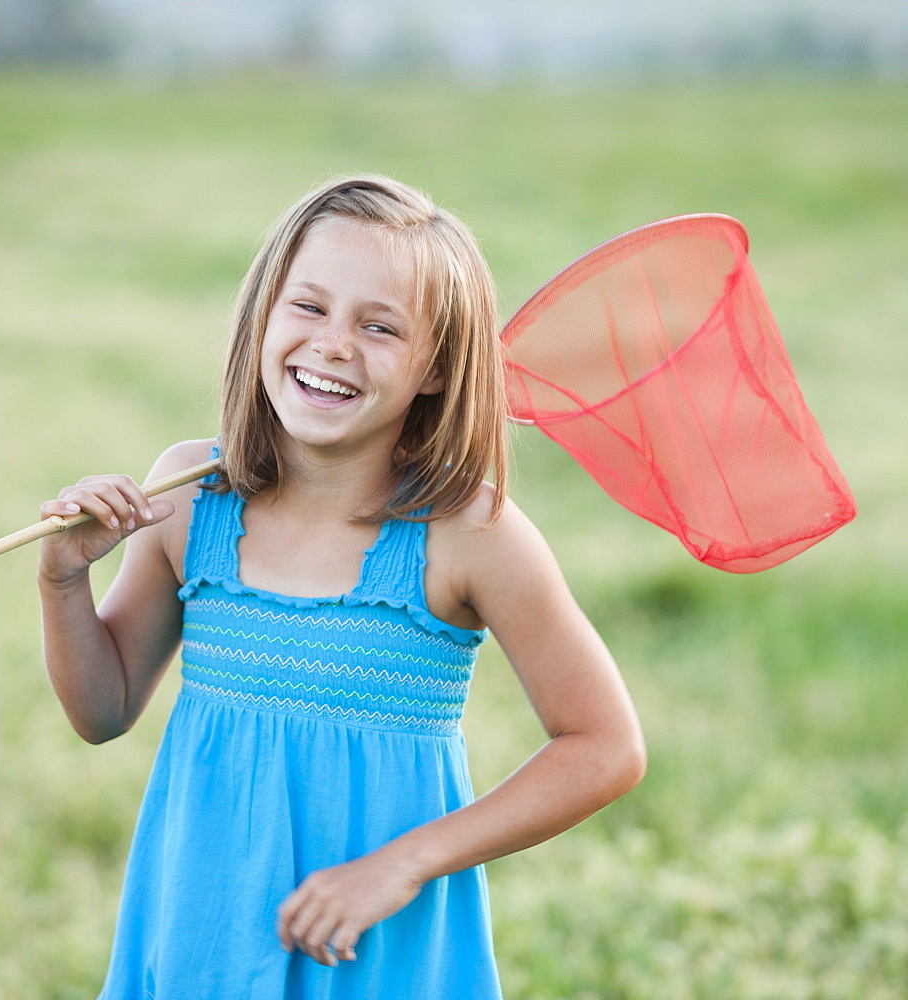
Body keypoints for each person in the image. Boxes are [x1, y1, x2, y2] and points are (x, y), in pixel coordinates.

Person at [37, 175, 646, 999]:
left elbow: (604, 747)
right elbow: (101, 711)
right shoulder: (188, 495)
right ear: (262, 316)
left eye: (381, 327)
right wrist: (64, 577)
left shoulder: (470, 533)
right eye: (309, 307)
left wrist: (401, 865)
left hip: (374, 952)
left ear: (435, 370)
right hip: (203, 936)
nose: (332, 345)